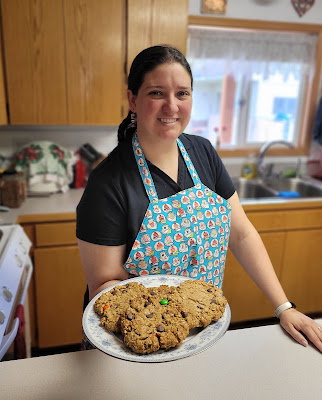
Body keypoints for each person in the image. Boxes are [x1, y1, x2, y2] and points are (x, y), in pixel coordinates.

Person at [76, 45, 322, 353]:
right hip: (130, 350)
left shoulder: (203, 153)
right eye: (156, 93)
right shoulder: (108, 183)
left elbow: (241, 233)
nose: (171, 107)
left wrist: (284, 307)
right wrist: (157, 326)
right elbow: (106, 288)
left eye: (182, 94)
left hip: (201, 335)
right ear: (132, 100)